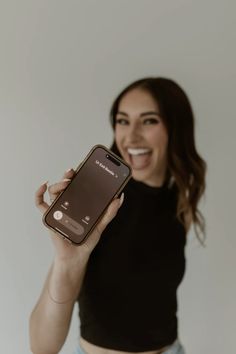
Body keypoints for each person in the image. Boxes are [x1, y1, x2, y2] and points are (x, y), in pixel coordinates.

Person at [30, 77, 206, 354]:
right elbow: (42, 347)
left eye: (149, 121)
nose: (132, 136)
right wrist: (67, 262)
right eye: (123, 121)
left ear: (176, 128)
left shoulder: (179, 199)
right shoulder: (101, 202)